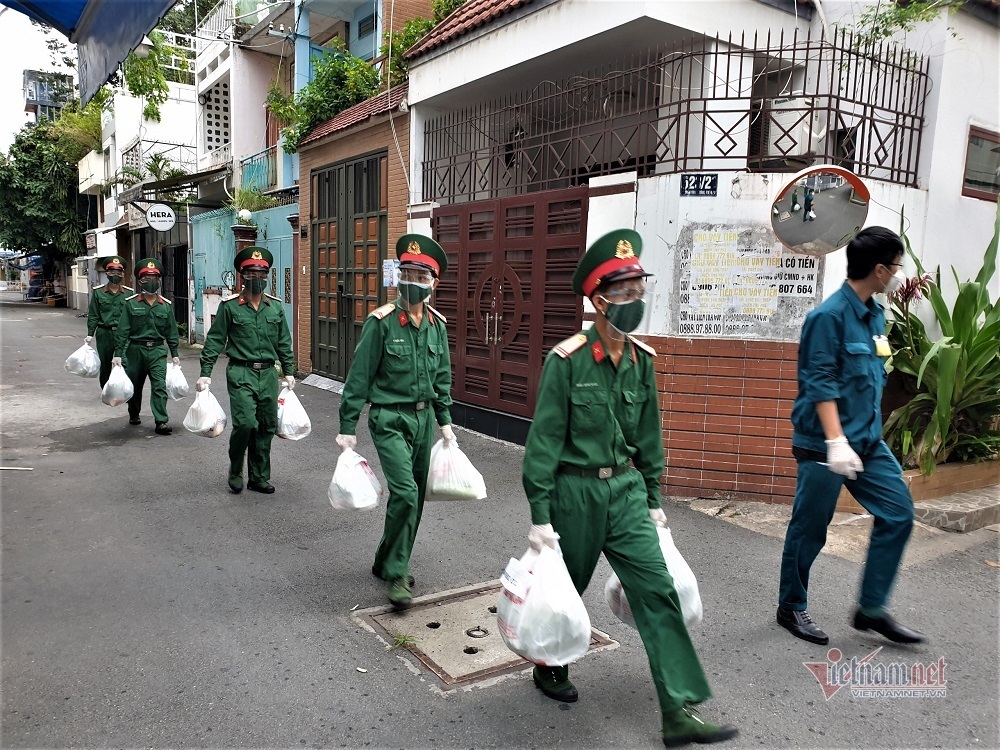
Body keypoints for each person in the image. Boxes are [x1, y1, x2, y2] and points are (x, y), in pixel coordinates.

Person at [522, 229, 738, 748]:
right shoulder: (567, 361)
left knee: (658, 591)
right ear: (600, 300)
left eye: (639, 290)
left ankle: (678, 711)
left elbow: (649, 439)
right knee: (565, 589)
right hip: (574, 494)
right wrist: (539, 516)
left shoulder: (643, 361)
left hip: (625, 494)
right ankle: (550, 665)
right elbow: (544, 443)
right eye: (625, 293)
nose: (635, 301)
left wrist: (654, 503)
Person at [777, 226, 923, 646]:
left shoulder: (875, 314)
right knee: (810, 528)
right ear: (879, 270)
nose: (897, 274)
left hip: (868, 443)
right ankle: (791, 605)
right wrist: (836, 442)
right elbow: (819, 382)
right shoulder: (827, 318)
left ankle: (871, 609)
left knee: (898, 514)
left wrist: (859, 439)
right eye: (896, 266)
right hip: (825, 443)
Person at [336, 234, 456, 609]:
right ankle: (399, 572)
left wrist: (446, 421)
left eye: (421, 277)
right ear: (397, 277)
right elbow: (359, 376)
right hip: (389, 418)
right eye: (406, 273)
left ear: (433, 283)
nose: (413, 282)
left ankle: (386, 559)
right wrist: (347, 425)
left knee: (415, 498)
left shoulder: (437, 326)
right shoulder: (382, 323)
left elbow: (442, 378)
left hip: (423, 421)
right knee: (404, 492)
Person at [196, 247, 295, 495]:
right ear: (242, 275)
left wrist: (289, 370)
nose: (257, 278)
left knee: (265, 426)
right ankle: (236, 468)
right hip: (241, 372)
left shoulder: (275, 308)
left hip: (269, 375)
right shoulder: (230, 307)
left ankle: (259, 477)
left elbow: (284, 341)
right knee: (245, 424)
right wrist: (205, 372)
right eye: (251, 273)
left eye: (262, 274)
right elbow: (215, 340)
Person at [112, 258, 180, 435]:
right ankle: (133, 413)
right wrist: (118, 353)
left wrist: (175, 353)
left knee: (159, 386)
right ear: (140, 281)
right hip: (135, 350)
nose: (151, 282)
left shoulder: (165, 306)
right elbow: (123, 330)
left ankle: (161, 421)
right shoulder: (131, 303)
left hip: (157, 350)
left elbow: (171, 331)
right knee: (135, 385)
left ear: (159, 281)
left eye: (154, 278)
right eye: (147, 279)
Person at [85, 256, 133, 387]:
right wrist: (90, 333)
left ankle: (124, 389)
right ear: (107, 273)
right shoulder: (98, 293)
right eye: (112, 272)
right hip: (104, 333)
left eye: (118, 272)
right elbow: (94, 314)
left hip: (123, 334)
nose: (115, 275)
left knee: (125, 362)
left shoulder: (129, 294)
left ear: (122, 274)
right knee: (105, 364)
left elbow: (132, 316)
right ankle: (106, 390)